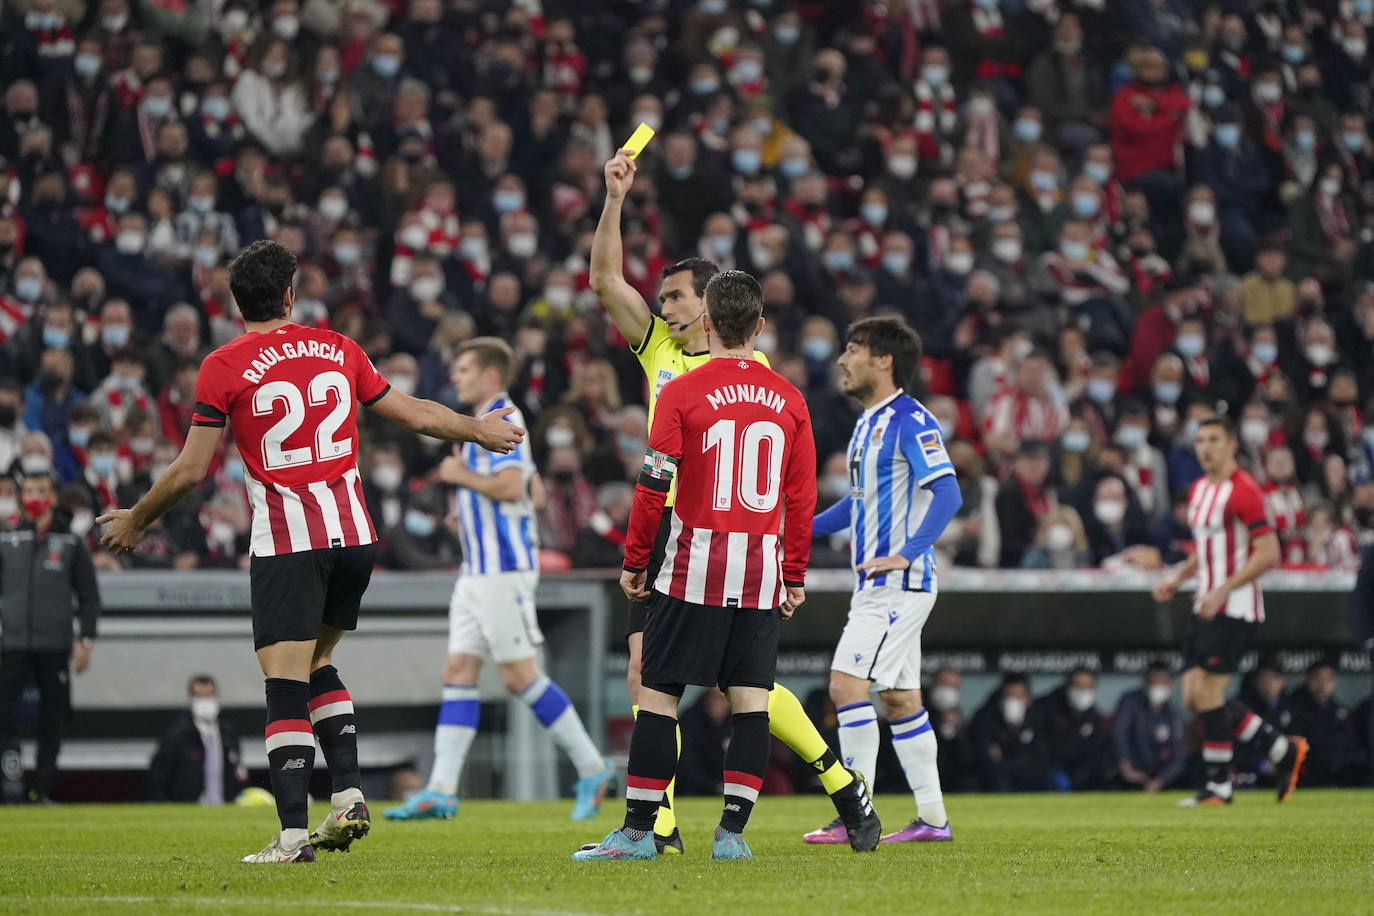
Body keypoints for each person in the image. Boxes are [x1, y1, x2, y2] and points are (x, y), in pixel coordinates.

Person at [98, 240, 523, 863]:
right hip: (355, 535)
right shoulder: (337, 347)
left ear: (233, 302)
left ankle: (293, 834)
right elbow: (413, 414)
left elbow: (191, 471)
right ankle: (348, 793)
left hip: (289, 540)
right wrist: (476, 427)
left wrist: (138, 519)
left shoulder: (222, 365)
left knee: (284, 682)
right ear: (291, 296)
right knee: (320, 660)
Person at [588, 148, 867, 854]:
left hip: (702, 543)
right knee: (669, 676)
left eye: (676, 297)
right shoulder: (658, 349)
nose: (662, 307)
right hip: (680, 545)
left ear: (709, 307)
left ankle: (835, 782)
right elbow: (602, 278)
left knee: (722, 687)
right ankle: (668, 828)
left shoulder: (724, 372)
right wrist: (615, 199)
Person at [386, 337, 613, 822]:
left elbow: (512, 486)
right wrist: (468, 515)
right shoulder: (488, 423)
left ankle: (592, 767)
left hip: (501, 570)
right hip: (477, 569)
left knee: (518, 675)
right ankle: (442, 789)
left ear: (490, 374)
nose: (457, 377)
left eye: (465, 369)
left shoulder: (502, 417)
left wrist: (459, 478)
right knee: (459, 672)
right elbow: (529, 493)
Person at [805, 316, 961, 846]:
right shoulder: (867, 423)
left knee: (845, 686)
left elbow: (948, 493)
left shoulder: (911, 420)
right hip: (878, 585)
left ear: (883, 360)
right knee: (899, 701)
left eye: (852, 349)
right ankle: (933, 820)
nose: (842, 359)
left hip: (899, 584)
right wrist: (792, 530)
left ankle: (855, 813)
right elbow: (857, 505)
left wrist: (906, 553)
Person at [1151, 415, 1307, 807]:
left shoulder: (1245, 492)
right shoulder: (1199, 489)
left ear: (1231, 445)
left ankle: (1220, 785)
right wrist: (1178, 576)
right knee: (1192, 696)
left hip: (1234, 606)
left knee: (1208, 693)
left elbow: (1269, 553)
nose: (1205, 447)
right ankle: (1281, 750)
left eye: (1214, 439)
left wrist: (1224, 588)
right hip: (1205, 601)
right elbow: (1207, 551)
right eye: (1200, 439)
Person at [0, 470, 101, 803]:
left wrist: (85, 640)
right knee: (3, 716)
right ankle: (8, 786)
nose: (33, 496)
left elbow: (88, 596)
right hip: (10, 645)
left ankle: (41, 790)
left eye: (40, 490)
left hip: (54, 646)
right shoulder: (7, 537)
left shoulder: (70, 541)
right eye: (28, 489)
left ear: (53, 497)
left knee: (52, 721)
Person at [145, 675, 246, 804]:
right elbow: (156, 778)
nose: (205, 701)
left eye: (209, 696)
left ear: (216, 699)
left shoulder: (228, 734)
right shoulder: (176, 736)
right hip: (188, 809)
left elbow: (238, 773)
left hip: (224, 808)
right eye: (199, 696)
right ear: (190, 700)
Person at [1111, 662, 1186, 792]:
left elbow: (1178, 757)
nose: (1157, 686)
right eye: (1153, 682)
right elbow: (1119, 732)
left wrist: (1160, 781)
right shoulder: (1130, 702)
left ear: (1170, 685)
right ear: (1145, 682)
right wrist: (1125, 766)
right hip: (1128, 773)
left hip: (1158, 777)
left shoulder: (1173, 715)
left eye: (1161, 682)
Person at [1032, 668, 1110, 791]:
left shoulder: (1093, 716)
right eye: (1078, 686)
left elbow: (1093, 754)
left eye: (1088, 686)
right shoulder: (1044, 708)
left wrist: (1080, 776)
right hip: (1047, 769)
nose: (1083, 691)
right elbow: (1038, 747)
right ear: (1067, 686)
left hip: (1079, 773)